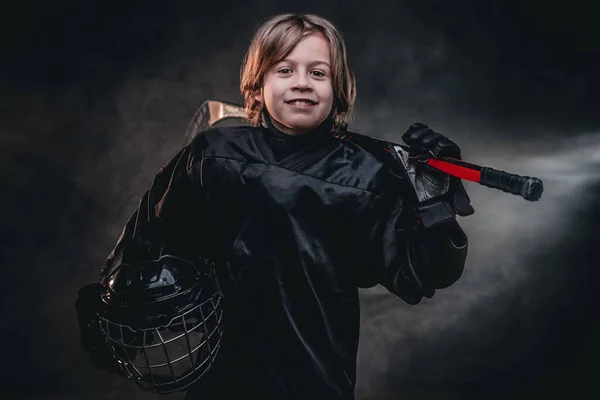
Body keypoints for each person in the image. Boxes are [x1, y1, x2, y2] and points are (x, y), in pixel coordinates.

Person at [77, 13, 474, 400]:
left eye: (318, 73)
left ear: (338, 88)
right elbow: (149, 237)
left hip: (314, 381)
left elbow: (419, 276)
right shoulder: (214, 154)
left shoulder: (368, 177)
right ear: (258, 83)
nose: (302, 83)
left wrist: (435, 203)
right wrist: (108, 305)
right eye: (285, 70)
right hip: (219, 382)